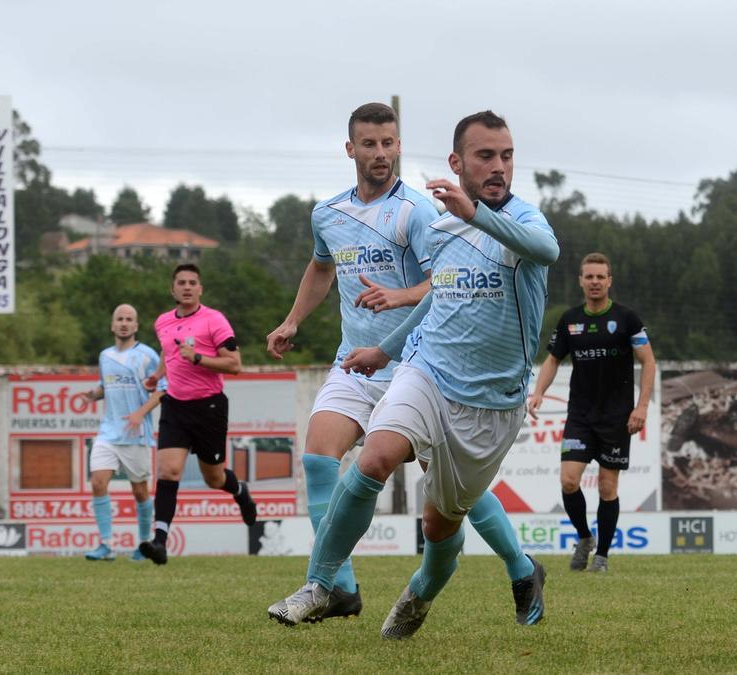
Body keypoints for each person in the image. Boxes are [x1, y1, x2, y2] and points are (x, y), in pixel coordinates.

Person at [268, 110, 557, 640]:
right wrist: (384, 349)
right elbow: (438, 302)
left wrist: (476, 214)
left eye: (507, 155)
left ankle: (432, 587)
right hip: (424, 371)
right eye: (485, 155)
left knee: (440, 524)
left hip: (492, 403)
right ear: (457, 162)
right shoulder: (443, 225)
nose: (498, 166)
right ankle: (322, 584)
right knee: (374, 456)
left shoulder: (523, 220)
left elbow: (547, 251)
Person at [527, 252, 656, 573]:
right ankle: (584, 538)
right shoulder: (570, 320)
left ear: (609, 281)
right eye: (590, 277)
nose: (595, 282)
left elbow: (649, 362)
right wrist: (539, 391)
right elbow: (554, 360)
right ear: (581, 281)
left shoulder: (627, 319)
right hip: (580, 416)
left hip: (617, 416)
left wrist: (641, 407)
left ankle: (602, 556)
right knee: (569, 481)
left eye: (601, 277)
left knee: (607, 488)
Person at [137, 263, 256, 565]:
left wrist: (199, 358)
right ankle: (160, 541)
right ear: (172, 289)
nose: (187, 287)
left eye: (192, 282)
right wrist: (157, 376)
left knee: (214, 479)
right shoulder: (163, 322)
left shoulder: (214, 321)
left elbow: (235, 364)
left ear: (200, 289)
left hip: (209, 407)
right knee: (168, 471)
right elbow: (169, 352)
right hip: (175, 405)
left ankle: (240, 491)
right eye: (181, 282)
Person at [81, 304, 164, 561]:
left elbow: (162, 388)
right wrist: (91, 395)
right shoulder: (105, 356)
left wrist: (140, 412)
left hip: (135, 434)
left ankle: (143, 545)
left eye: (129, 319)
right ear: (112, 325)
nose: (124, 323)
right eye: (120, 319)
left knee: (139, 491)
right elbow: (105, 386)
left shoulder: (147, 355)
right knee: (97, 483)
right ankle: (105, 545)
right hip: (108, 432)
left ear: (136, 326)